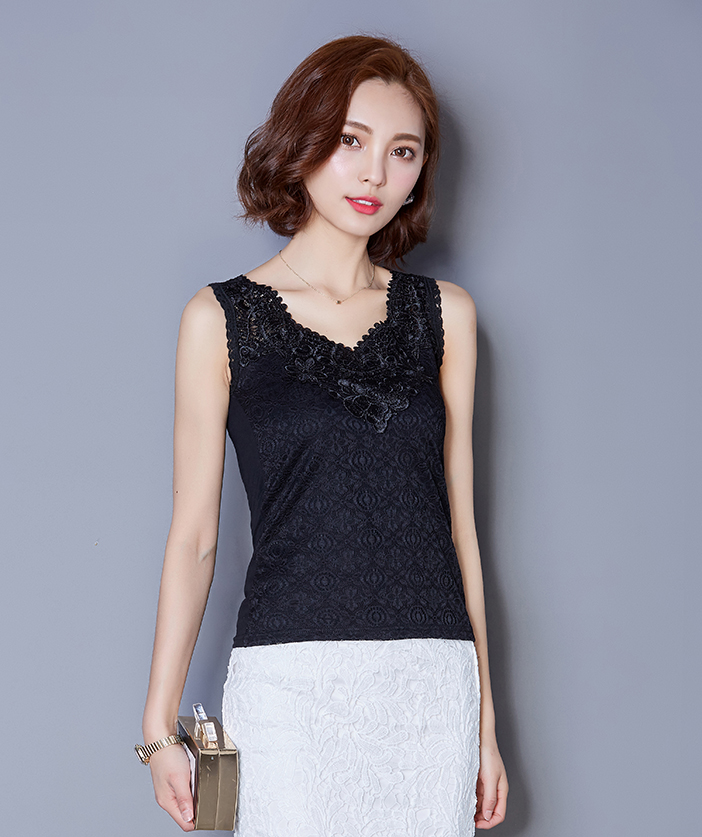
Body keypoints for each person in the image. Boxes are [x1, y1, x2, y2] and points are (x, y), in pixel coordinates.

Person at [140, 34, 508, 836]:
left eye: (403, 151)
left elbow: (461, 532)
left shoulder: (446, 315)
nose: (376, 173)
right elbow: (194, 537)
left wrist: (484, 727)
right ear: (300, 141)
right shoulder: (219, 319)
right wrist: (158, 726)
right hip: (289, 682)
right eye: (350, 140)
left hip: (430, 682)